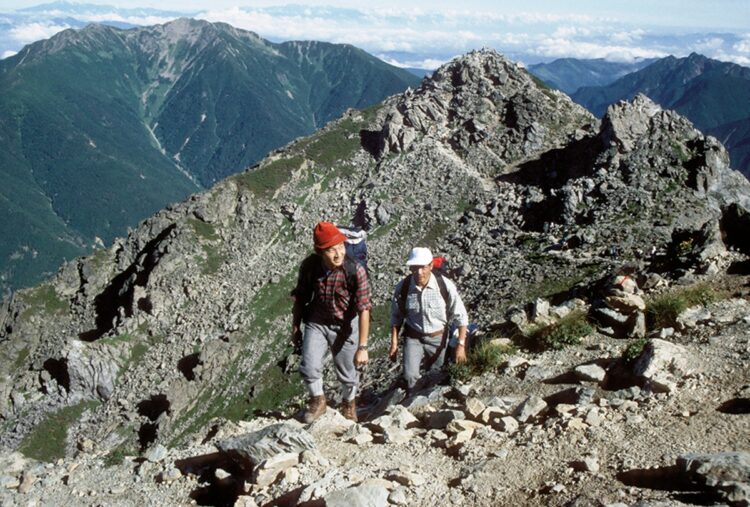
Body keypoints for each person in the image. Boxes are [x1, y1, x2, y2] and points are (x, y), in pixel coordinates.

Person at [291, 221, 371, 423]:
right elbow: (301, 297)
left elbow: (364, 309)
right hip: (317, 322)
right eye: (331, 250)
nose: (338, 254)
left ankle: (349, 405)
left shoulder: (355, 270)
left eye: (341, 247)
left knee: (348, 372)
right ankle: (318, 401)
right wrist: (295, 328)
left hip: (345, 324)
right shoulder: (310, 267)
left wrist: (363, 346)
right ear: (319, 252)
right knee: (309, 366)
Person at [389, 247, 469, 394]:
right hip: (413, 337)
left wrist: (461, 345)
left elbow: (461, 316)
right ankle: (412, 400)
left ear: (431, 266)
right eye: (415, 268)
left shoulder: (444, 285)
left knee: (436, 374)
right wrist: (394, 343)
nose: (419, 272)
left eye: (423, 267)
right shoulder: (403, 287)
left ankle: (428, 403)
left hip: (438, 337)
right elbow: (396, 317)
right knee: (410, 375)